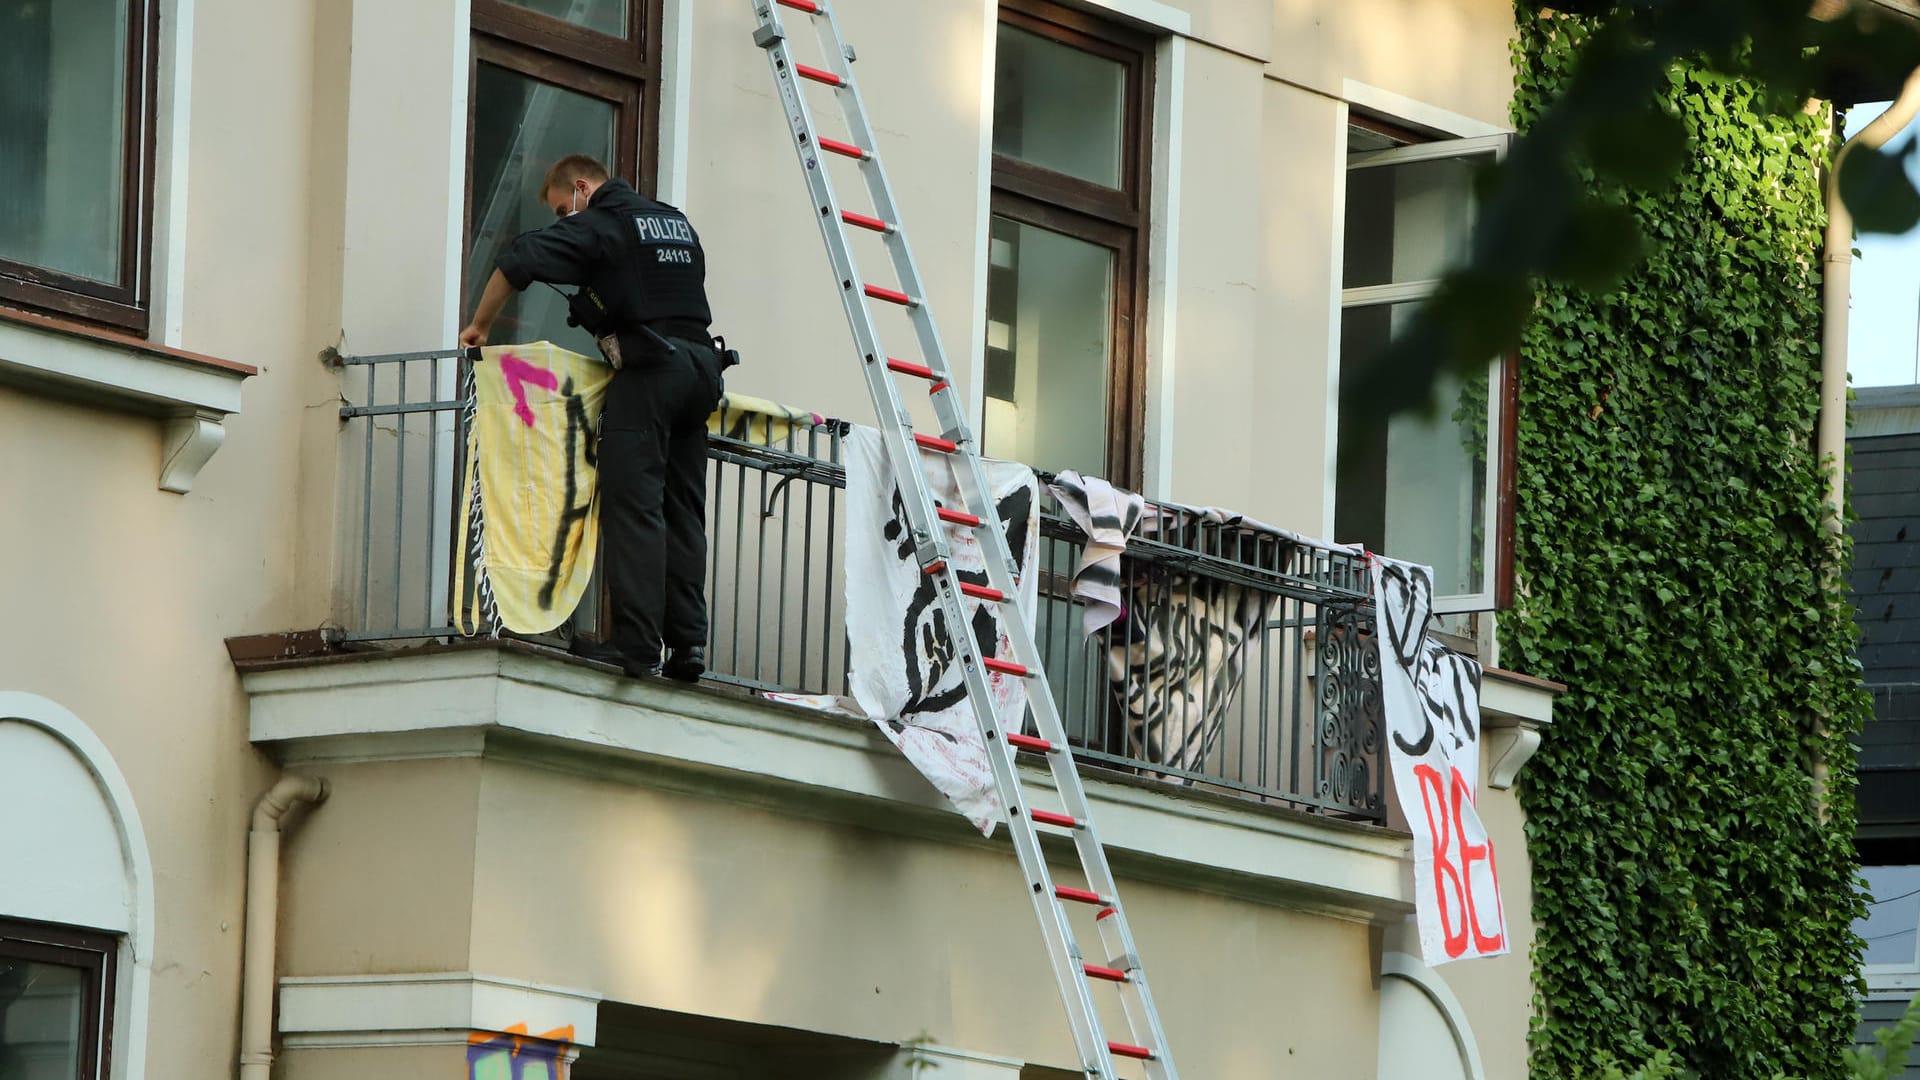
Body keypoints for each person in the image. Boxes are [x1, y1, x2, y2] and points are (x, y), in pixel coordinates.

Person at [460, 154, 722, 682]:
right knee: (683, 513)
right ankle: (688, 646)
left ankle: (637, 648)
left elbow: (520, 258)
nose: (565, 220)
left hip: (651, 373)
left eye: (563, 209)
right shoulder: (674, 221)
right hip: (703, 371)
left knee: (635, 508)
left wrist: (480, 327)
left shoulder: (605, 222)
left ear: (582, 188)